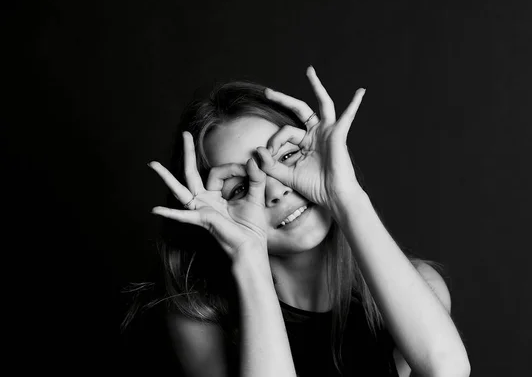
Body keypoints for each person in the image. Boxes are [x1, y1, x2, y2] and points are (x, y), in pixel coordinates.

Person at [134, 66, 470, 377]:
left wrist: (344, 195)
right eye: (239, 188)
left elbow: (447, 369)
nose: (275, 191)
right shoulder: (201, 317)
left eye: (287, 157)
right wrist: (248, 255)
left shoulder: (419, 286)